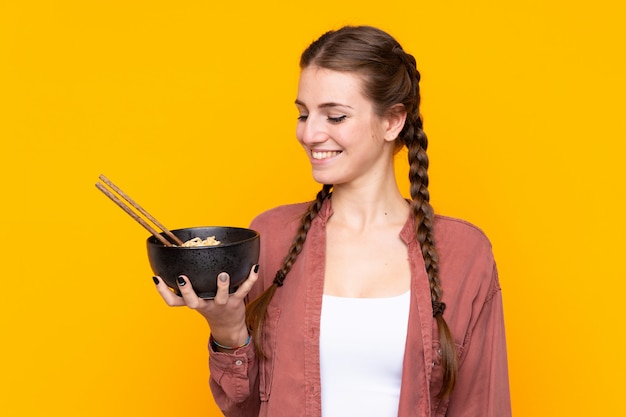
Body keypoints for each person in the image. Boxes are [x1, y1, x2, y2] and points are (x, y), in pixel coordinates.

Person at [153, 25, 511, 417]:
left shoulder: (464, 254)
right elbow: (247, 408)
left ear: (392, 121)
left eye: (335, 116)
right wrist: (227, 329)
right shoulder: (271, 237)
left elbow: (483, 405)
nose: (309, 133)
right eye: (303, 114)